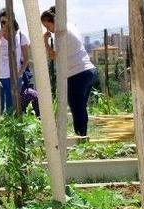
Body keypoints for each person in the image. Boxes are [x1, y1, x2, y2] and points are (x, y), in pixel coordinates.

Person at [41, 6, 97, 137]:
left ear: (52, 20)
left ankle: (80, 137)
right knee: (81, 107)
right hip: (89, 71)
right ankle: (83, 135)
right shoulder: (70, 26)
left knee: (77, 108)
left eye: (47, 26)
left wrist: (45, 42)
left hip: (78, 74)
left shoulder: (61, 33)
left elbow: (54, 56)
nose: (48, 30)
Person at [0, 9, 30, 115]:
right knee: (0, 109)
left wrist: (19, 74)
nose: (4, 24)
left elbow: (26, 59)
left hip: (14, 77)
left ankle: (13, 131)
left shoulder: (20, 35)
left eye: (6, 21)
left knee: (12, 108)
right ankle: (1, 131)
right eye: (2, 22)